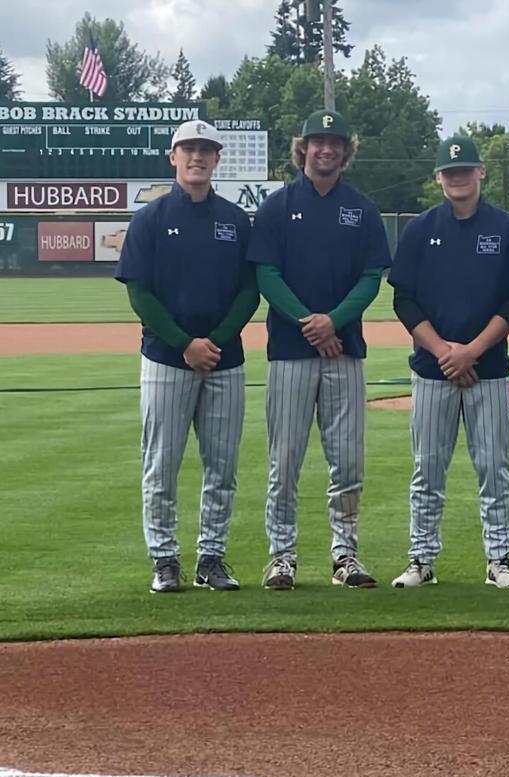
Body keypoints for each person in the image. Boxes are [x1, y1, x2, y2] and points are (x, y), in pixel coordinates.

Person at [246, 109, 392, 589]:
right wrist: (311, 323)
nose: (325, 149)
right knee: (284, 459)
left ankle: (345, 553)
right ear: (303, 147)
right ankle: (281, 555)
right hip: (290, 351)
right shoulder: (278, 205)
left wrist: (335, 321)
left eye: (334, 142)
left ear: (345, 150)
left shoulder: (362, 208)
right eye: (317, 141)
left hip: (345, 351)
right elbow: (266, 274)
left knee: (347, 460)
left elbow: (372, 279)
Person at [114, 119, 259, 594]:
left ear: (217, 159)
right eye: (188, 149)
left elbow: (248, 291)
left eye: (206, 150)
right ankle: (164, 559)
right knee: (162, 463)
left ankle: (211, 558)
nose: (197, 157)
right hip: (165, 357)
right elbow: (140, 293)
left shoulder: (235, 220)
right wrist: (184, 343)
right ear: (172, 156)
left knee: (222, 465)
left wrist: (213, 341)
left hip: (225, 359)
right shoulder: (151, 218)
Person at [386, 136, 509, 589]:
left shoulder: (506, 229)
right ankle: (421, 559)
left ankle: (500, 560)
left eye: (465, 169)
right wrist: (445, 351)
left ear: (481, 172)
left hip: (488, 369)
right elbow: (404, 300)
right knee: (427, 469)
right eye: (449, 171)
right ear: (437, 178)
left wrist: (473, 350)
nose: (457, 177)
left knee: (494, 469)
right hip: (432, 370)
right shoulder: (420, 229)